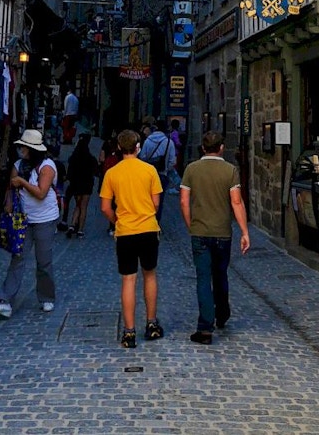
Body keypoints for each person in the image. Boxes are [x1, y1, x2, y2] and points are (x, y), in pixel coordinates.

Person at [179, 130, 250, 345]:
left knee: (203, 278)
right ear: (221, 148)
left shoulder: (191, 169)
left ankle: (205, 327)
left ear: (203, 148)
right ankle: (223, 312)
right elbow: (236, 202)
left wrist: (190, 224)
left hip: (200, 231)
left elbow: (183, 201)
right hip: (222, 232)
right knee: (220, 274)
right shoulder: (230, 171)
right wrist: (244, 231)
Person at [100, 129, 164, 348]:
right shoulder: (150, 171)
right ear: (138, 147)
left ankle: (129, 332)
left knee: (128, 279)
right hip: (147, 228)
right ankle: (152, 323)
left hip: (125, 231)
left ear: (119, 148)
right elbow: (156, 203)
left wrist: (117, 219)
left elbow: (105, 207)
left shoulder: (112, 173)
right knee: (150, 275)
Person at [0, 129, 59, 319]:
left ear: (32, 149)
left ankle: (46, 297)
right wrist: (8, 205)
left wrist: (22, 182)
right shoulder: (18, 165)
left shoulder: (47, 166)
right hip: (23, 219)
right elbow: (11, 189)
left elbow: (41, 192)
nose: (21, 150)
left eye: (24, 147)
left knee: (43, 261)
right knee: (17, 258)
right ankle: (5, 299)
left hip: (45, 219)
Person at [139, 119, 176, 222]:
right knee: (159, 201)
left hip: (147, 174)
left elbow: (142, 157)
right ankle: (155, 223)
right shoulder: (169, 142)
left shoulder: (148, 140)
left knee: (145, 199)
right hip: (161, 174)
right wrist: (166, 169)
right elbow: (172, 161)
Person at [64, 133, 98, 238]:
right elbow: (96, 172)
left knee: (78, 205)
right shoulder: (91, 158)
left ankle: (72, 224)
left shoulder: (74, 158)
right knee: (83, 207)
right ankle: (80, 230)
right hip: (87, 185)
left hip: (77, 184)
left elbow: (69, 174)